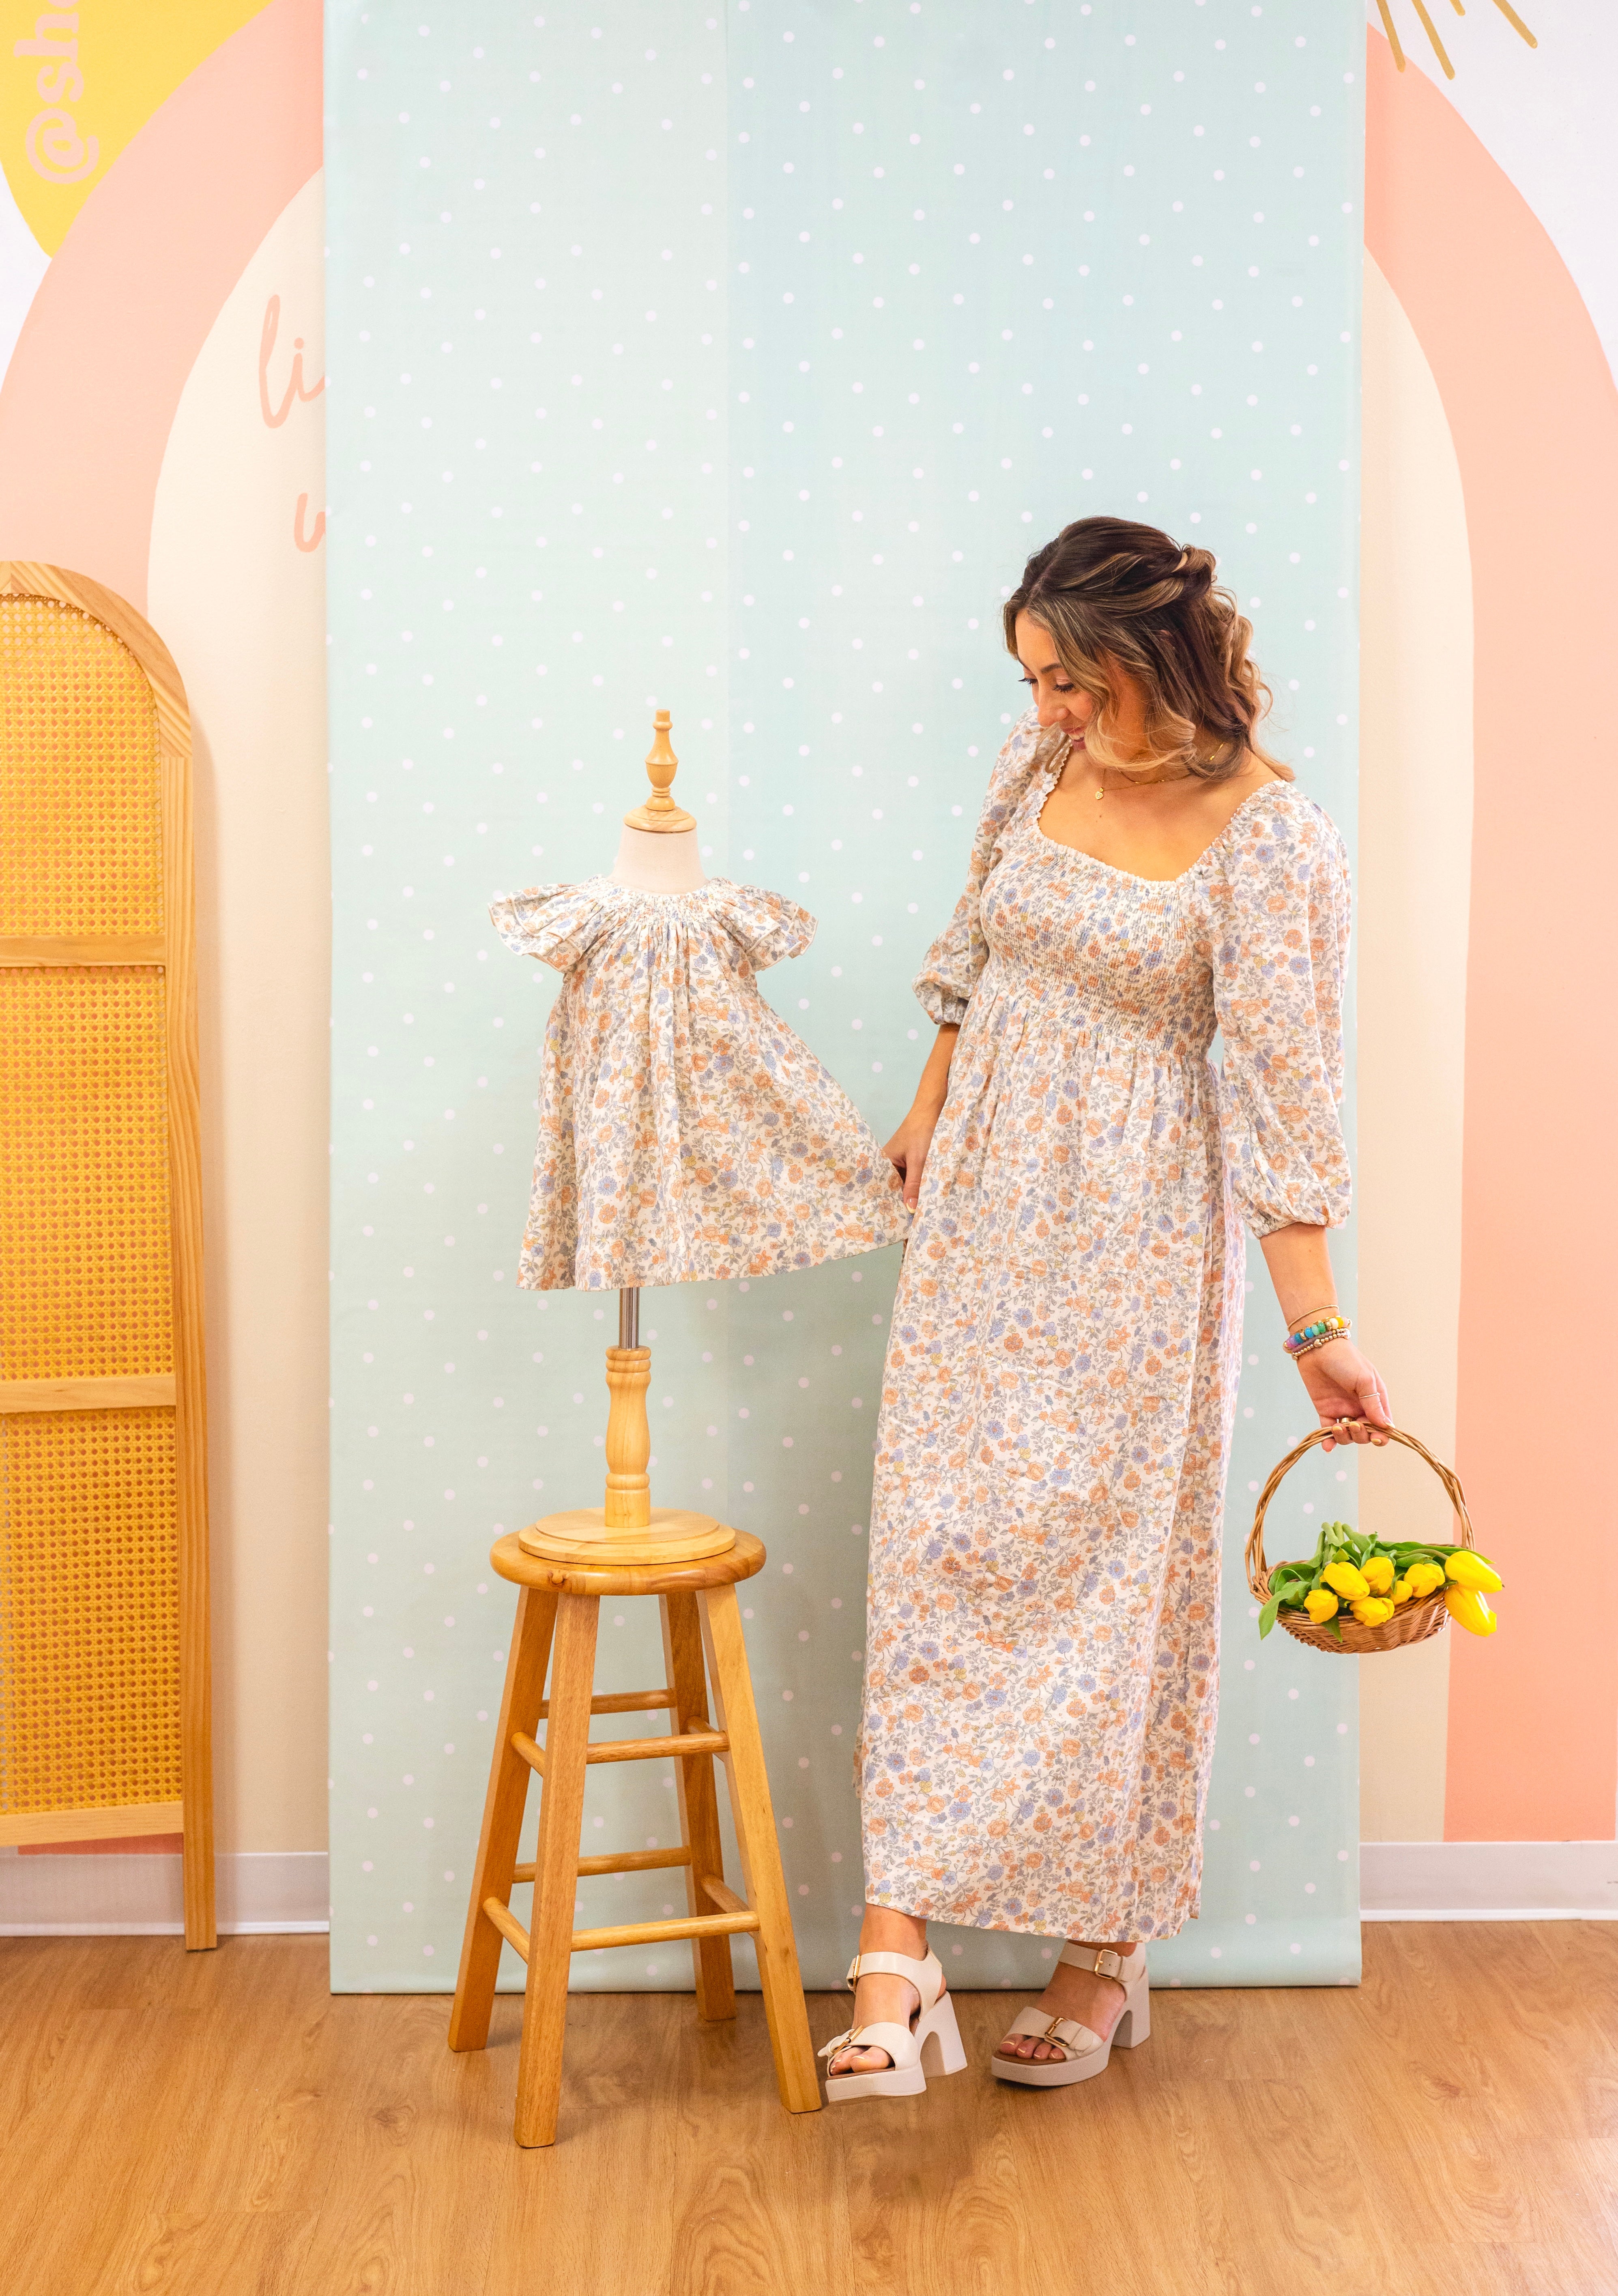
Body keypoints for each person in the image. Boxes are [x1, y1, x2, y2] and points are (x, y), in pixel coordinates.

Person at [820, 516, 1390, 2102]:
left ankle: (1106, 1948)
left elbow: (1283, 1093)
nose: (1049, 708)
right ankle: (896, 1950)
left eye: (1069, 680)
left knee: (1115, 1586)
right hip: (983, 1212)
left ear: (1149, 657)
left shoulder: (1271, 840)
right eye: (1033, 680)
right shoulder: (1038, 766)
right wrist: (929, 1105)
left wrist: (1315, 1331)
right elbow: (974, 947)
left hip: (1140, 1235)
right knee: (936, 1555)